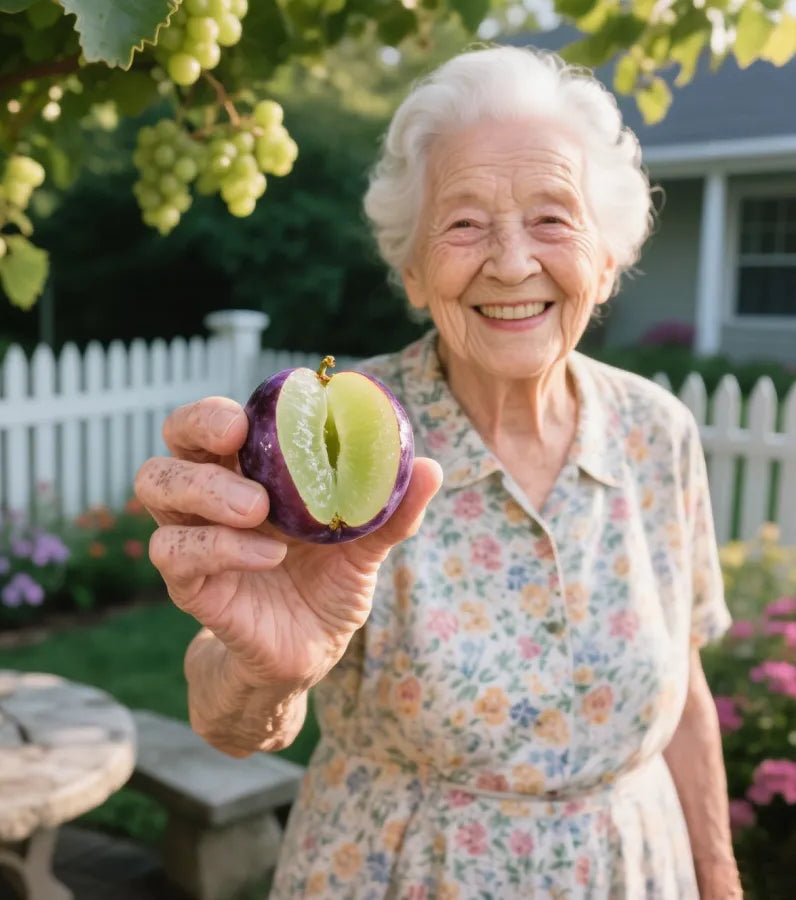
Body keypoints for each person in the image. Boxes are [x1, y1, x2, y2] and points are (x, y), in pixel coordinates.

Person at [135, 45, 743, 899]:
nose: (510, 261)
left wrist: (718, 876)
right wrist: (264, 674)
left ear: (605, 261)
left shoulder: (658, 432)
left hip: (633, 869)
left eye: (553, 219)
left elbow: (683, 689)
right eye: (463, 224)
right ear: (414, 270)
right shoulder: (337, 444)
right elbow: (227, 714)